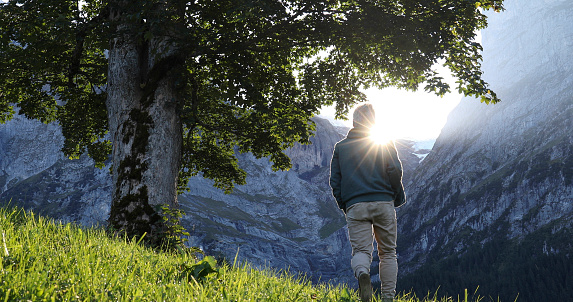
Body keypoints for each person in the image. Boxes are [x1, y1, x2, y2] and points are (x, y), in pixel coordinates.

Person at [329, 103, 406, 302]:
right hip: (383, 202)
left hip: (355, 206)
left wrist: (345, 204)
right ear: (373, 122)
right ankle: (387, 298)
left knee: (361, 251)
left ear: (353, 122)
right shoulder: (383, 141)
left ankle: (363, 272)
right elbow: (395, 170)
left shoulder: (341, 148)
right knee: (388, 253)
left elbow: (335, 181)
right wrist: (395, 195)